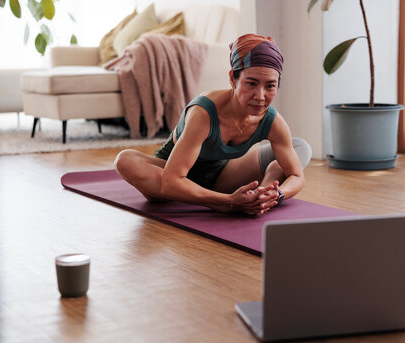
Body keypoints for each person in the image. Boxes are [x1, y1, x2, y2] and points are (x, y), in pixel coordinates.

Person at [114, 34, 312, 216]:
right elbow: (170, 182)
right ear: (232, 80)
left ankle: (262, 197)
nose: (260, 97)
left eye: (270, 86)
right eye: (251, 83)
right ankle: (220, 200)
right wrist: (228, 202)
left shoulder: (272, 121)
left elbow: (296, 176)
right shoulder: (204, 112)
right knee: (125, 160)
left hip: (222, 177)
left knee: (301, 147)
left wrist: (278, 195)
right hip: (170, 177)